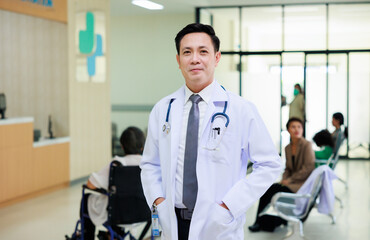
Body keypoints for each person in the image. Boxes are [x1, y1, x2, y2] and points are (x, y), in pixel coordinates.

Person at [140, 23, 281, 240]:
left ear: (216, 58)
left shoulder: (241, 109)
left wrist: (229, 206)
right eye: (187, 52)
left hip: (218, 224)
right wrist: (159, 201)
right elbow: (150, 164)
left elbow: (270, 164)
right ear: (178, 60)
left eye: (203, 51)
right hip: (173, 221)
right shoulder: (163, 109)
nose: (195, 59)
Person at [248, 117, 315, 232]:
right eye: (293, 127)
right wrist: (284, 179)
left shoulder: (307, 145)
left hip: (301, 185)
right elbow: (288, 169)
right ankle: (265, 222)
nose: (296, 130)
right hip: (290, 183)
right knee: (269, 190)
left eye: (299, 127)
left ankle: (260, 222)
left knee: (271, 190)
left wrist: (289, 180)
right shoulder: (287, 148)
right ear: (288, 130)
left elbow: (308, 168)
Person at [79, 127, 145, 240]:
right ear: (143, 146)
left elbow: (90, 185)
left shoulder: (117, 164)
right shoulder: (148, 165)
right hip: (143, 214)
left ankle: (87, 236)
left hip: (117, 214)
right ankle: (114, 234)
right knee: (121, 202)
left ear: (122, 146)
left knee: (86, 199)